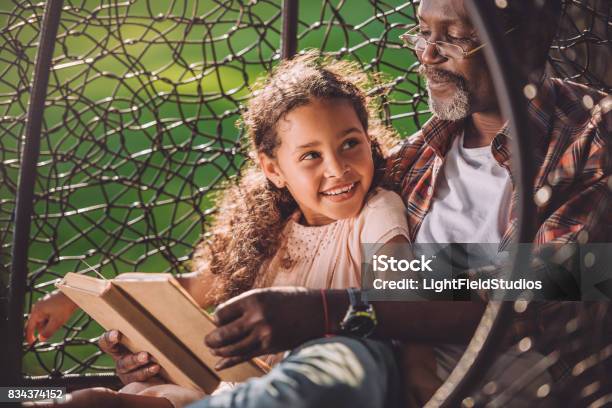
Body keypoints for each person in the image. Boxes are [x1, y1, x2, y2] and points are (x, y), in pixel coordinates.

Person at [25, 52, 414, 407]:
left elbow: (405, 296)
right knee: (138, 390)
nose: (337, 168)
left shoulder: (376, 211)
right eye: (311, 155)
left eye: (350, 143)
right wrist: (79, 298)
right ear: (273, 169)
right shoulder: (272, 231)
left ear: (370, 140)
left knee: (113, 401)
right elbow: (187, 289)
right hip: (237, 387)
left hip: (313, 387)